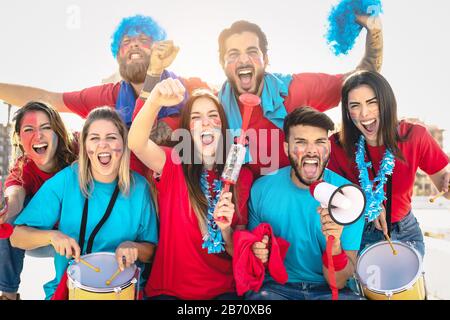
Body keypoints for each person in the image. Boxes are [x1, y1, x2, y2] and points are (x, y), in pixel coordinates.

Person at [0, 14, 208, 175]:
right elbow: (49, 99)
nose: (134, 44)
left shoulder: (191, 90)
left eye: (143, 39)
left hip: (180, 204)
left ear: (159, 47)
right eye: (126, 42)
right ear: (117, 56)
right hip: (129, 204)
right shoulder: (108, 96)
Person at [10, 107, 158, 300]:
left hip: (124, 292)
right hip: (69, 292)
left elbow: (152, 252)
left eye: (112, 137)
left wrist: (134, 248)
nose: (102, 145)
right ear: (85, 146)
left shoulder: (140, 188)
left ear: (123, 144)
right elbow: (16, 237)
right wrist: (52, 236)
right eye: (94, 138)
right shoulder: (65, 181)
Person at [128, 78, 253, 299]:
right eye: (196, 118)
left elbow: (236, 252)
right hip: (170, 291)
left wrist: (225, 230)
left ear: (223, 127)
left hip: (224, 291)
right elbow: (136, 142)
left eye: (212, 116)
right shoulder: (173, 164)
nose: (205, 123)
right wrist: (156, 98)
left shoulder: (242, 177)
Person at [217, 15, 383, 177]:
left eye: (252, 51)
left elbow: (361, 80)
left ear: (265, 60)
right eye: (233, 54)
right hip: (248, 199)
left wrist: (374, 31)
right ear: (222, 64)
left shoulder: (296, 89)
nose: (243, 59)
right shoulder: (215, 109)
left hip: (297, 194)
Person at [246, 107, 364, 300]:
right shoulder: (261, 190)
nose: (311, 150)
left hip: (328, 289)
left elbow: (339, 282)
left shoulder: (350, 197)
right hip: (276, 288)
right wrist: (258, 252)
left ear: (328, 147)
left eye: (319, 142)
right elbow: (253, 260)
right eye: (301, 142)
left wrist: (333, 247)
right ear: (286, 148)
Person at [327, 70, 450, 257]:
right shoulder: (336, 146)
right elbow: (332, 198)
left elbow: (444, 183)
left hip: (405, 232)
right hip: (358, 233)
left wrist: (447, 186)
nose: (364, 113)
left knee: (408, 286)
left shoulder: (415, 136)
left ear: (386, 102)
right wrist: (366, 204)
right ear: (347, 111)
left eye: (372, 102)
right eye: (355, 106)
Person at [0, 101, 78, 300]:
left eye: (46, 127)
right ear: (18, 137)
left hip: (83, 233)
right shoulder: (21, 170)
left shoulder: (80, 149)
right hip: (44, 239)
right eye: (29, 129)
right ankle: (8, 294)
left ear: (58, 132)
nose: (38, 135)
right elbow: (14, 198)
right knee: (6, 222)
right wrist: (4, 209)